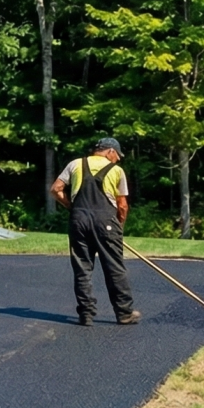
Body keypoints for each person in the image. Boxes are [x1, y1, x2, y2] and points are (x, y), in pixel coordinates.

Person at [50, 138, 141, 326]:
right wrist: (119, 227)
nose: (117, 160)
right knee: (114, 267)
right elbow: (122, 205)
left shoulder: (75, 164)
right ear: (110, 152)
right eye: (117, 155)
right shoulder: (116, 171)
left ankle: (86, 314)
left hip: (78, 220)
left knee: (82, 267)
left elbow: (56, 189)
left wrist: (71, 207)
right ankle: (124, 313)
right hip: (106, 221)